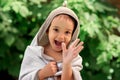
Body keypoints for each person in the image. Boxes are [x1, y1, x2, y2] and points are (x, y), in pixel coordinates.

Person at [19, 5, 84, 80]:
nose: (61, 37)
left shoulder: (73, 58)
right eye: (56, 30)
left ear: (72, 36)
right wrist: (42, 73)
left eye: (67, 32)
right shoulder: (33, 53)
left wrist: (67, 64)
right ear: (47, 30)